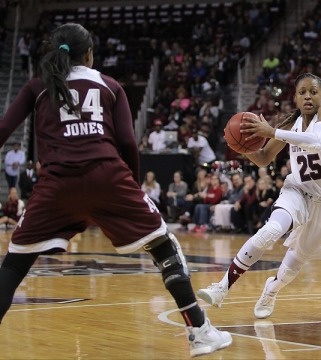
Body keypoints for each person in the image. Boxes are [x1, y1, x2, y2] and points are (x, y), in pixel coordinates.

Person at [0, 23, 231, 357]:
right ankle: (200, 331)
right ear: (90, 53)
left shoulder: (38, 86)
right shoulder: (109, 85)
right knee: (165, 248)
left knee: (12, 266)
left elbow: (4, 129)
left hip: (56, 185)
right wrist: (132, 188)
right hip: (108, 177)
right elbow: (126, 143)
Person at [197, 73, 321, 319]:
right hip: (297, 190)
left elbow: (317, 142)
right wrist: (242, 147)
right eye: (302, 92)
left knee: (292, 266)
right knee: (270, 231)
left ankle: (271, 289)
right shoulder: (291, 124)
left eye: (313, 91)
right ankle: (221, 287)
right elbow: (264, 158)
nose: (308, 96)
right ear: (296, 98)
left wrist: (271, 131)